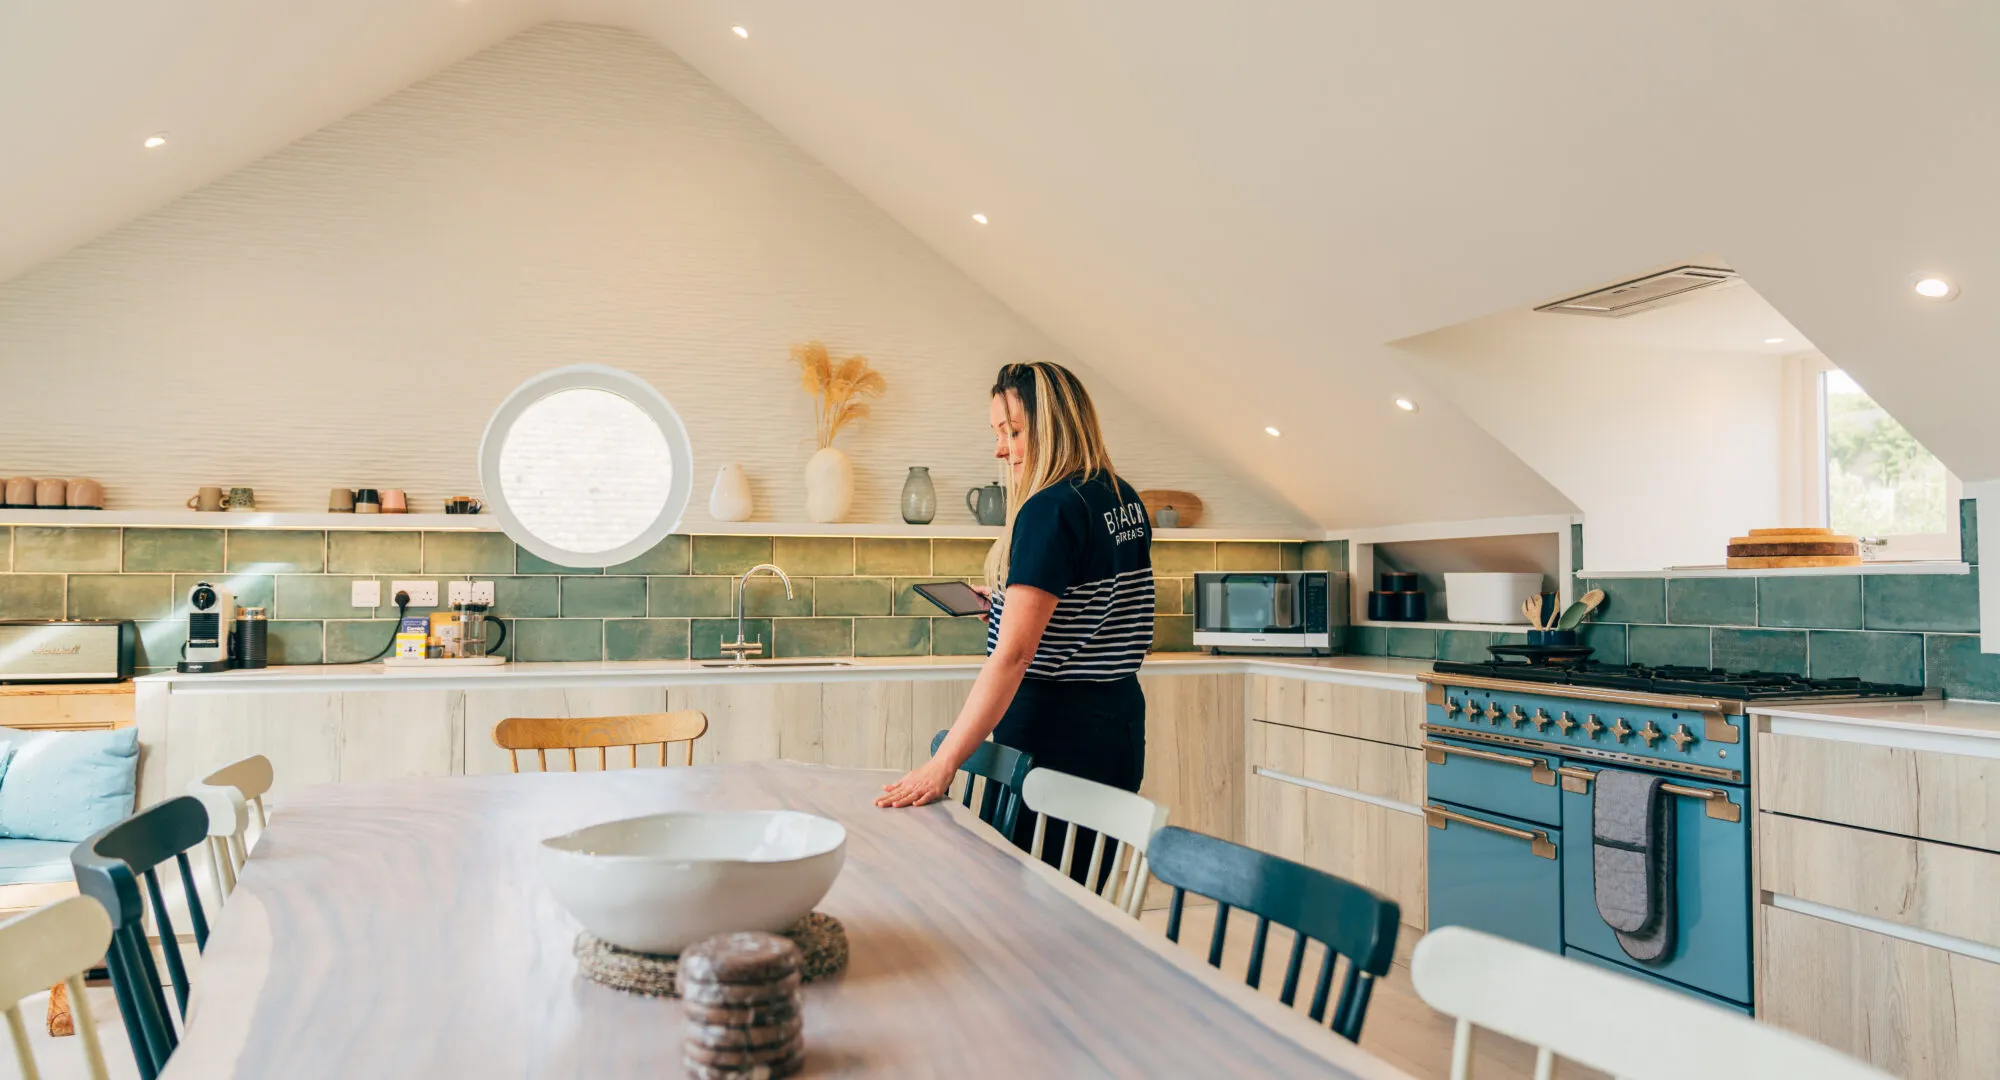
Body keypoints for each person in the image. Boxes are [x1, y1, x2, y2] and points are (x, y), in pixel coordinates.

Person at [876, 361, 1154, 879]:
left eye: (1015, 431)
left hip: (1054, 732)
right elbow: (1093, 607)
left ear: (1056, 427)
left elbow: (1014, 655)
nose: (1001, 448)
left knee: (1030, 903)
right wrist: (1006, 605)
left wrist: (944, 763)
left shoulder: (1049, 510)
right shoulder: (1123, 497)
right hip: (1117, 723)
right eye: (999, 433)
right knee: (1085, 893)